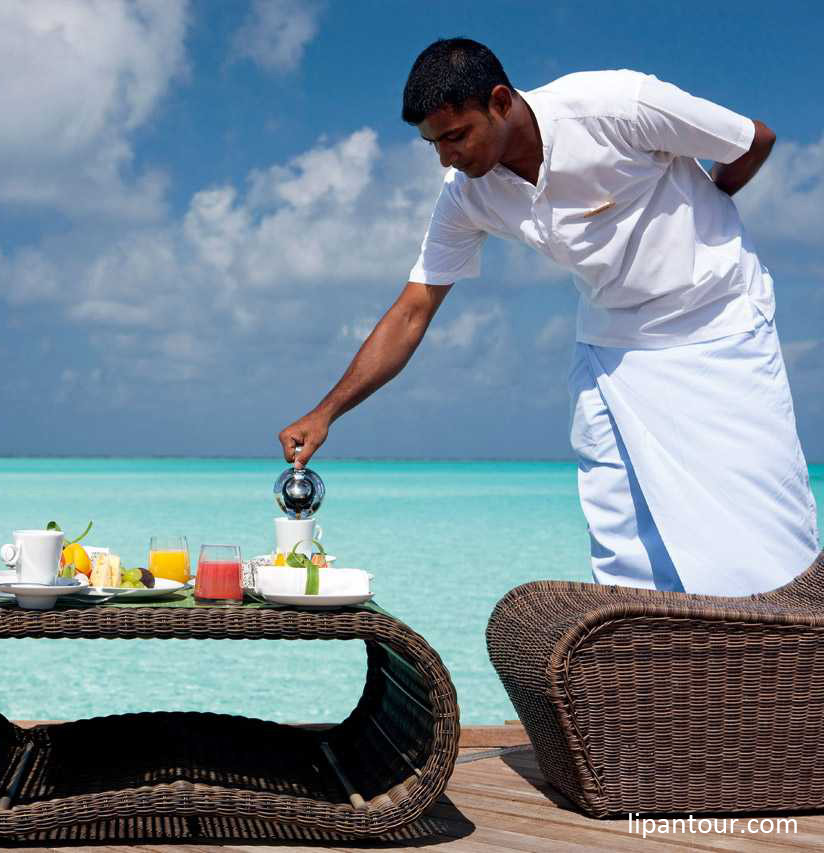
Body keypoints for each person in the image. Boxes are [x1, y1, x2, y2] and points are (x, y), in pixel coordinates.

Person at [277, 38, 818, 596]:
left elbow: (752, 140)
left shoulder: (617, 106)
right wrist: (326, 413)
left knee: (766, 526)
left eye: (456, 136)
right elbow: (414, 311)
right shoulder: (467, 196)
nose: (445, 158)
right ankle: (642, 646)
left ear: (500, 102)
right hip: (610, 346)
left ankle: (795, 636)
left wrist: (711, 207)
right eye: (433, 143)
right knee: (625, 542)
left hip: (718, 321)